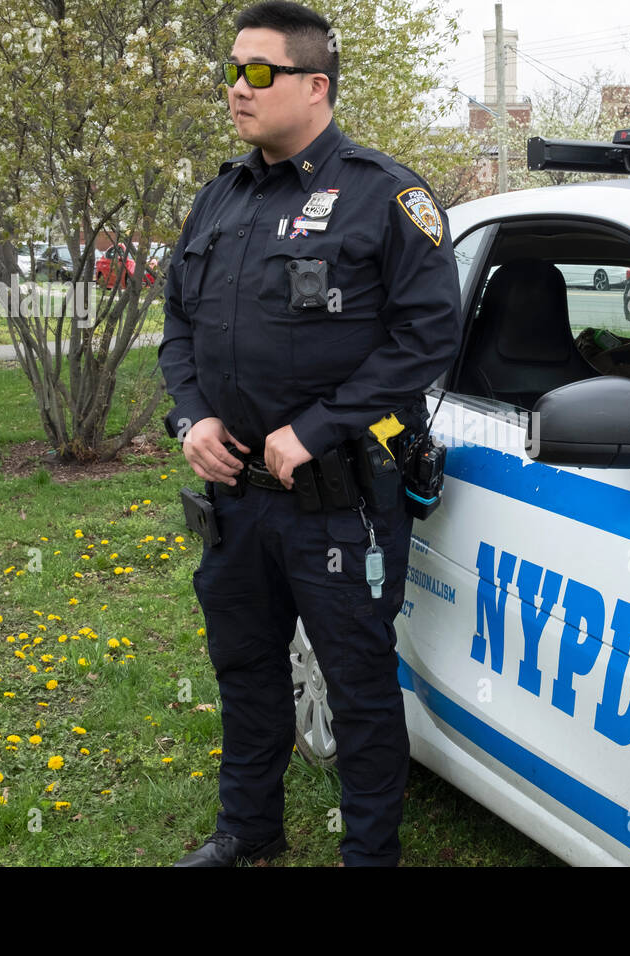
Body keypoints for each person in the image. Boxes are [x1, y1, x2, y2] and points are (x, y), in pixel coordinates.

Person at [158, 0, 461, 867]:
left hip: (338, 503)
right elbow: (178, 324)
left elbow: (427, 337)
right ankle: (247, 834)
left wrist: (321, 426)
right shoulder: (221, 196)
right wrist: (191, 418)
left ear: (315, 84)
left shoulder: (382, 195)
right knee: (247, 672)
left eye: (259, 72)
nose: (237, 89)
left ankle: (369, 857)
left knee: (360, 689)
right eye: (232, 71)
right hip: (235, 501)